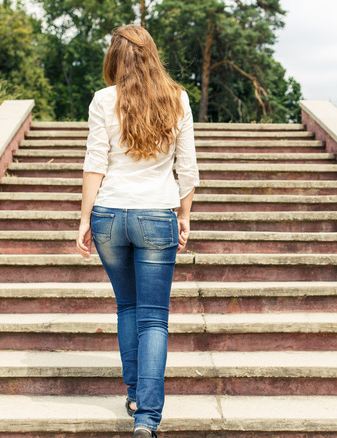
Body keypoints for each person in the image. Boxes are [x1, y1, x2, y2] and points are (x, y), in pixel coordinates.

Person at [75, 24, 199, 438]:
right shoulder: (177, 99)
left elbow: (95, 162)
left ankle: (133, 394)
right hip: (155, 215)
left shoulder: (102, 100)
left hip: (109, 215)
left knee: (127, 308)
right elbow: (188, 169)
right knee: (154, 320)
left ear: (115, 57)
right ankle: (146, 417)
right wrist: (185, 216)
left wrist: (83, 219)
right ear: (152, 54)